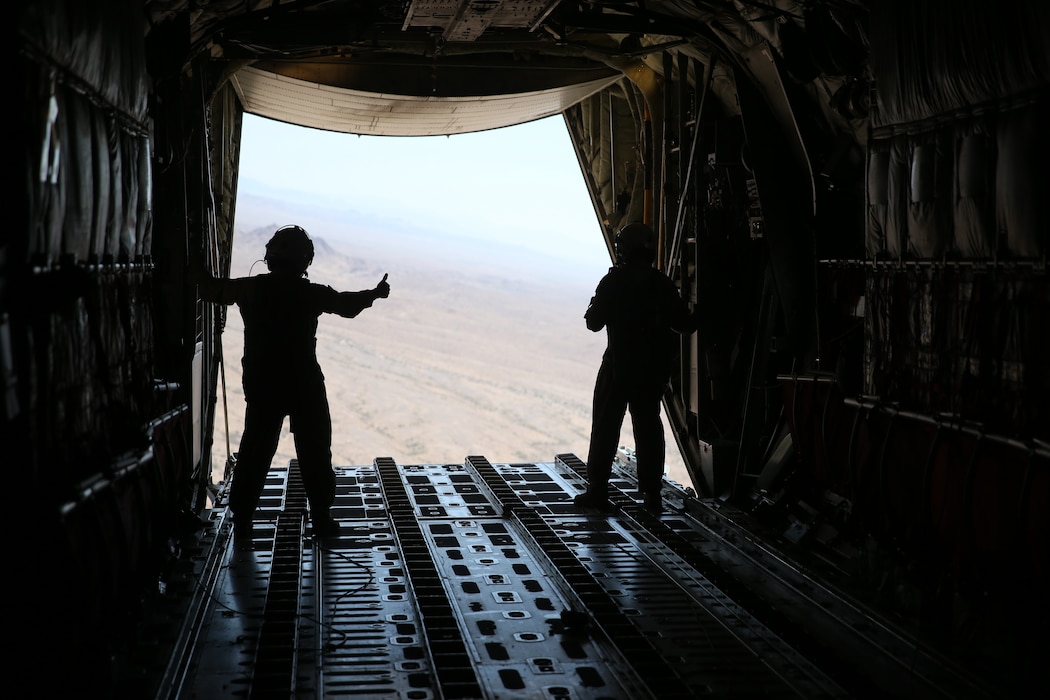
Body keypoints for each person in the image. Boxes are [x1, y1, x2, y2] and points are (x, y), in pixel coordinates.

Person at [193, 224, 390, 538]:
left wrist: (193, 248)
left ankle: (242, 520)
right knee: (314, 452)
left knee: (255, 452)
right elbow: (346, 305)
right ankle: (322, 519)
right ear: (305, 262)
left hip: (263, 387)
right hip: (304, 386)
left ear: (270, 256)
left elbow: (209, 289)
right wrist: (375, 294)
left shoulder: (252, 289)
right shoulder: (310, 293)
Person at [575, 222, 698, 514]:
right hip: (651, 370)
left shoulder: (613, 281)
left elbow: (593, 323)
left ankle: (598, 492)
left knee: (605, 426)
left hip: (618, 366)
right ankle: (652, 497)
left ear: (623, 250)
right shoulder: (662, 284)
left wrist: (598, 304)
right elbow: (683, 324)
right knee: (648, 429)